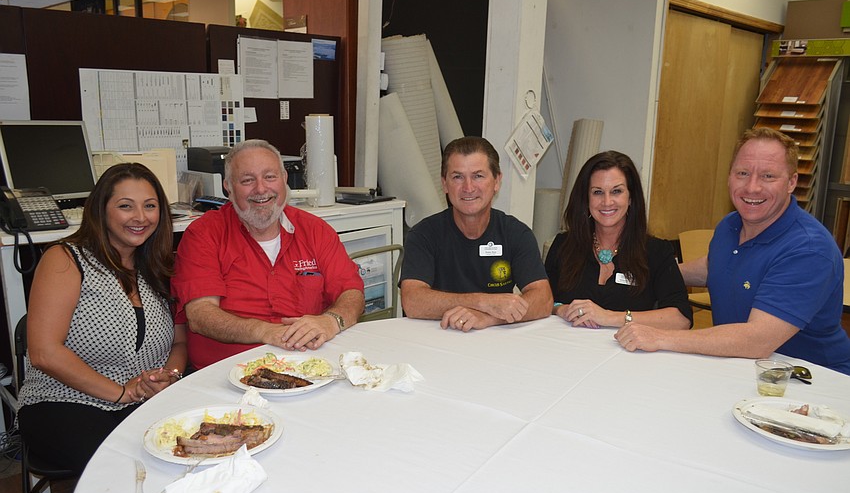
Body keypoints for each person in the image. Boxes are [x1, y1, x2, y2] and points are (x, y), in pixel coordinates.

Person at [616, 127, 850, 375]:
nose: (752, 187)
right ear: (729, 176)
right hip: (742, 368)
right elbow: (715, 266)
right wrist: (647, 272)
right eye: (742, 173)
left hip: (810, 380)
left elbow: (757, 340)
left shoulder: (809, 250)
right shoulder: (731, 224)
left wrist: (661, 337)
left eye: (768, 176)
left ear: (792, 182)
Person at [17, 163, 187, 473]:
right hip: (64, 402)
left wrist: (171, 376)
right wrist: (122, 393)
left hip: (144, 401)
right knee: (127, 468)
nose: (140, 217)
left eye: (150, 206)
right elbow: (44, 353)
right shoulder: (66, 259)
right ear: (101, 210)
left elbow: (179, 340)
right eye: (125, 206)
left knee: (196, 449)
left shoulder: (158, 266)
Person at [172, 139, 364, 369]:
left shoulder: (315, 230)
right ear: (228, 188)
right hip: (225, 373)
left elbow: (352, 292)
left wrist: (332, 321)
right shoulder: (204, 234)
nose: (261, 189)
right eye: (247, 180)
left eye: (270, 177)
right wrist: (264, 331)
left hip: (307, 366)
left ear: (284, 180)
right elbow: (200, 316)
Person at [400, 136, 553, 330]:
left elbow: (543, 299)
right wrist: (483, 302)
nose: (468, 187)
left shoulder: (516, 233)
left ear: (497, 181)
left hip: (495, 338)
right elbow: (413, 301)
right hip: (437, 337)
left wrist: (488, 318)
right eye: (457, 177)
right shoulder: (423, 234)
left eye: (478, 176)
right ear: (445, 184)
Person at [546, 150, 692, 330]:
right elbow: (542, 301)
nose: (607, 202)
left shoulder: (657, 252)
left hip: (630, 352)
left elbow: (681, 319)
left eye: (616, 191)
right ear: (585, 198)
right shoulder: (563, 246)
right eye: (598, 192)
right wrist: (561, 309)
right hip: (568, 351)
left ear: (631, 197)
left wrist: (609, 317)